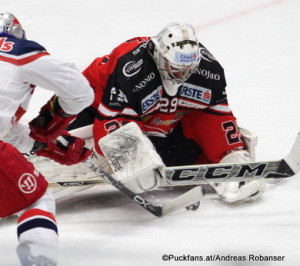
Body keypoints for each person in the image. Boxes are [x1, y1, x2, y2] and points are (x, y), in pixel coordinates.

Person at [69, 22, 266, 204]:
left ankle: (226, 168)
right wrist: (131, 156)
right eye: (176, 68)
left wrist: (230, 157)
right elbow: (111, 121)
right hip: (91, 104)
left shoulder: (209, 70)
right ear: (159, 56)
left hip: (157, 120)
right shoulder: (131, 68)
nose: (184, 75)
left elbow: (215, 116)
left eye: (189, 69)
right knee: (72, 149)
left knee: (183, 149)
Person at [0, 13, 94, 266]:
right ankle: (41, 260)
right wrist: (54, 118)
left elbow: (5, 130)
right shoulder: (19, 50)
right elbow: (80, 92)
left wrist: (43, 146)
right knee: (36, 200)